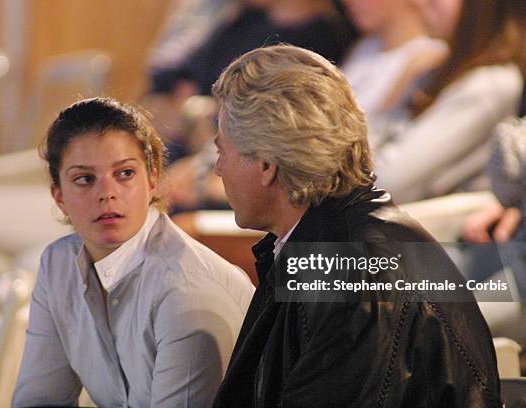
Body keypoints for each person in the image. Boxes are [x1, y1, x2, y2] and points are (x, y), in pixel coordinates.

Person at [210, 45, 501, 407]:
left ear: (267, 163)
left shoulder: (354, 276)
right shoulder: (329, 244)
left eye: (222, 151)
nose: (218, 168)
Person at [11, 98, 254, 407]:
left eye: (125, 174)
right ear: (58, 195)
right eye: (85, 179)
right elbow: (40, 400)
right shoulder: (58, 265)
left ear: (153, 179)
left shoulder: (187, 291)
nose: (107, 193)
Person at [371, 0, 523, 202]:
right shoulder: (436, 67)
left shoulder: (490, 84)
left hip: (435, 228)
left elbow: (385, 184)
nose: (419, 3)